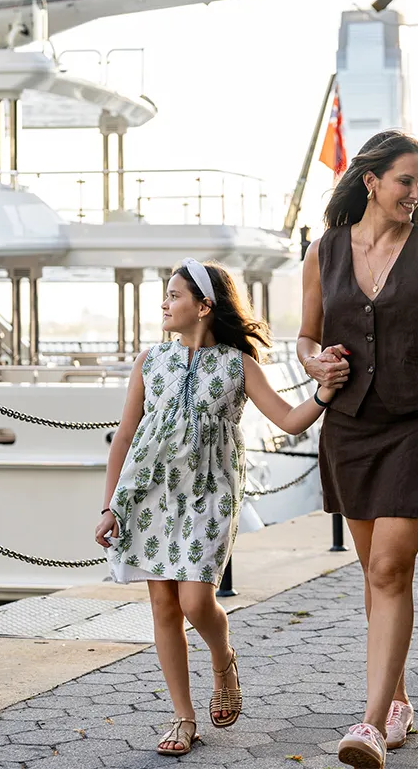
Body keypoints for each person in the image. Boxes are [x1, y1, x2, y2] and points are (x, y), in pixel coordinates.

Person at [297, 130, 418, 769]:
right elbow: (303, 338)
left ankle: (372, 722)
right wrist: (316, 362)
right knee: (373, 571)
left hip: (415, 426)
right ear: (371, 181)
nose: (415, 194)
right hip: (349, 429)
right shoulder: (322, 252)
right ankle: (400, 699)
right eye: (405, 181)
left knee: (389, 569)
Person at [94, 258, 343, 756]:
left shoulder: (236, 364)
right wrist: (110, 505)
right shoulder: (150, 362)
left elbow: (290, 419)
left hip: (210, 493)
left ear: (205, 306)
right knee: (164, 607)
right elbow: (125, 436)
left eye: (175, 295)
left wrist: (324, 392)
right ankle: (183, 719)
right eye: (165, 295)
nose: (164, 303)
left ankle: (222, 655)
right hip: (150, 494)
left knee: (194, 601)